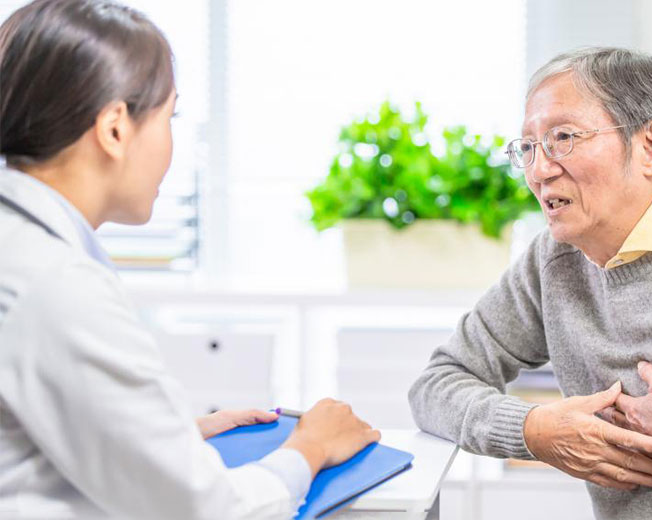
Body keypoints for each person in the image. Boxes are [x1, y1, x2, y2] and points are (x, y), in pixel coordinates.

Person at [0, 1, 379, 518]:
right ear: (115, 128)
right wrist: (311, 448)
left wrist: (171, 438)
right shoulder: (55, 285)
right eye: (169, 115)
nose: (173, 142)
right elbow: (204, 510)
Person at [409, 46, 652, 519]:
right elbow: (437, 383)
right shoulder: (554, 258)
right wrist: (535, 430)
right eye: (528, 148)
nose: (540, 170)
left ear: (650, 147)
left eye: (563, 137)